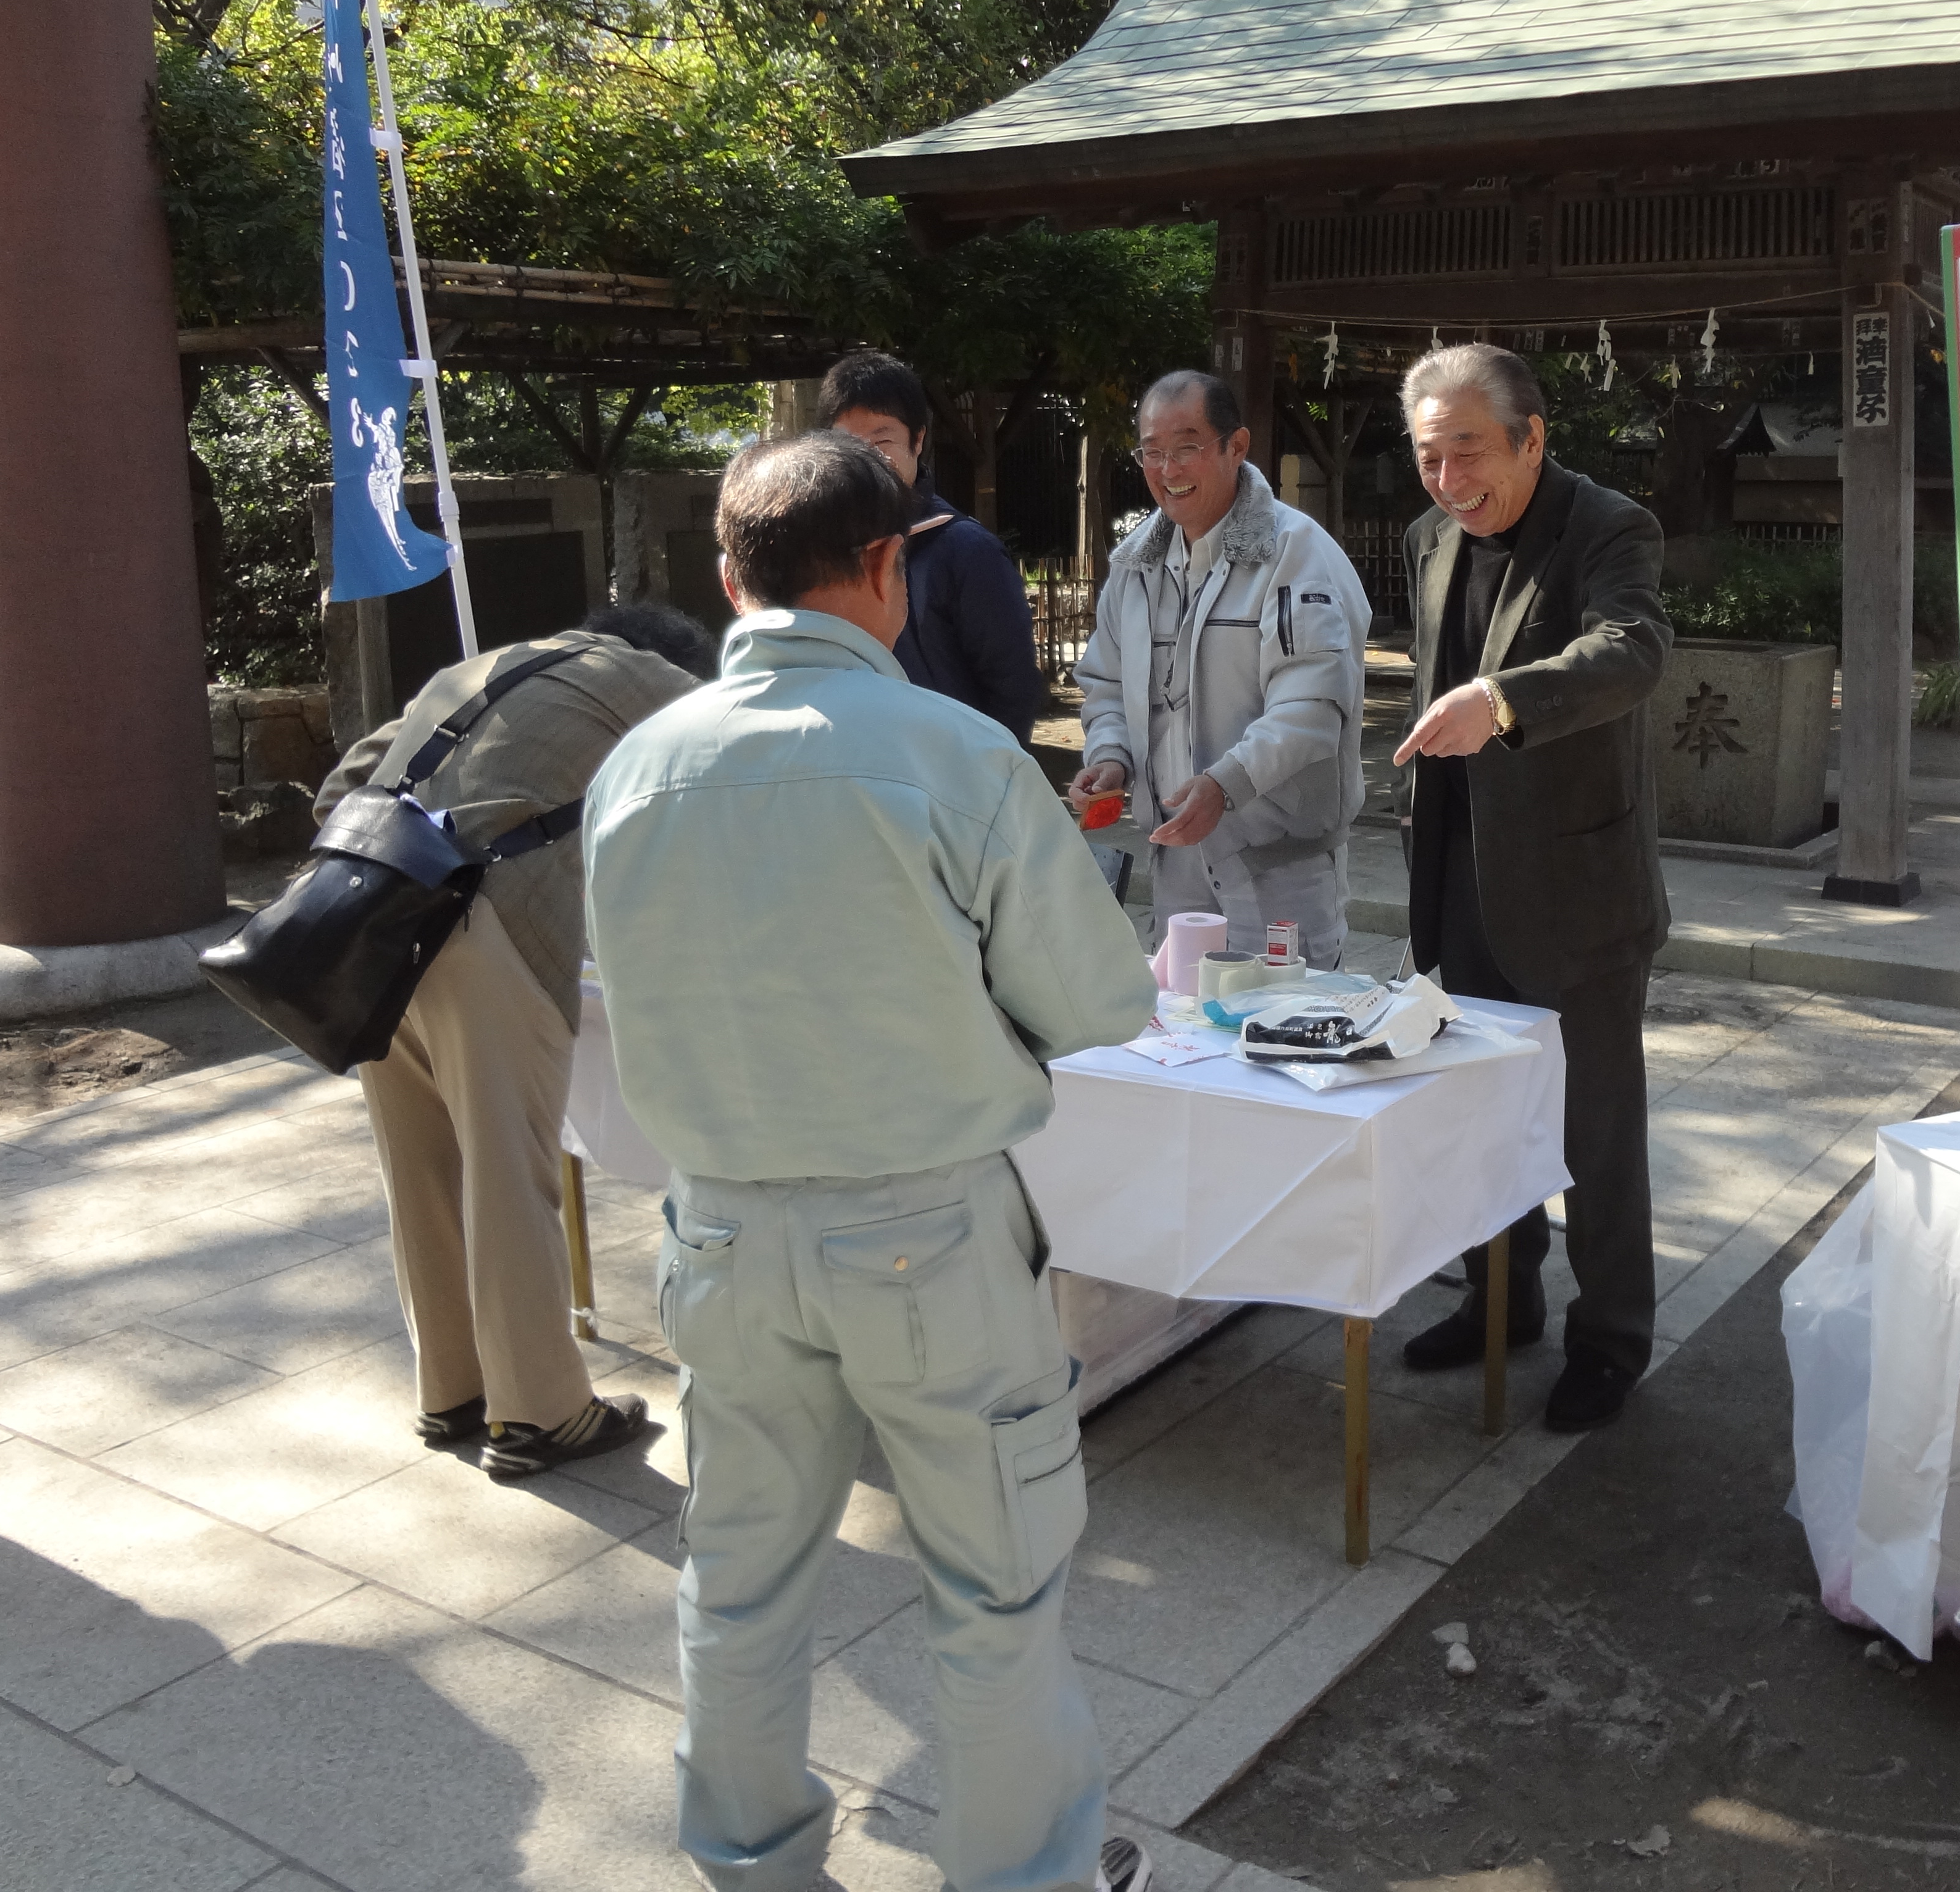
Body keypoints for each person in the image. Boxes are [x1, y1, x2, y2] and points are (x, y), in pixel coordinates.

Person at [582, 432, 1159, 1892]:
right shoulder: (953, 754)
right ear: (891, 569)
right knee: (993, 1584)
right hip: (926, 1233)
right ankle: (1024, 1875)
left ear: (729, 579)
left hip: (717, 1230)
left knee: (744, 1578)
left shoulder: (637, 765)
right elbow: (1098, 1000)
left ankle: (750, 1861)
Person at [313, 600, 713, 1478]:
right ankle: (539, 1415)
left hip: (372, 922)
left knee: (419, 1164)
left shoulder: (482, 667)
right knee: (507, 1169)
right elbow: (733, 749)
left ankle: (452, 1389)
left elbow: (346, 780)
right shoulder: (646, 676)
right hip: (481, 928)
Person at [1390, 343, 1670, 1432]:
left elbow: (1635, 648)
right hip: (1455, 874)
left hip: (1577, 885)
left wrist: (1501, 701)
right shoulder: (1427, 541)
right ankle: (1499, 1302)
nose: (1450, 480)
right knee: (1474, 1115)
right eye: (1428, 457)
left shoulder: (1606, 526)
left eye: (1469, 451)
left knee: (1591, 1127)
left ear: (1531, 438)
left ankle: (1611, 1339)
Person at [1069, 370, 1371, 967]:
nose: (1168, 468)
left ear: (1237, 446)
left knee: (1283, 1043)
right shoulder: (1134, 567)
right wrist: (1110, 757)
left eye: (1187, 447)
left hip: (1281, 869)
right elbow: (1104, 683)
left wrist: (1225, 784)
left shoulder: (1296, 553)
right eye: (1152, 452)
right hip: (1176, 867)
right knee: (1183, 1042)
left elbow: (1311, 706)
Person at [817, 348, 1041, 741]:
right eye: (850, 445)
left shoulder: (966, 550)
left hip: (951, 781)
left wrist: (986, 784)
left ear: (917, 440)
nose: (866, 460)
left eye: (882, 441)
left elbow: (1014, 688)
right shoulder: (820, 549)